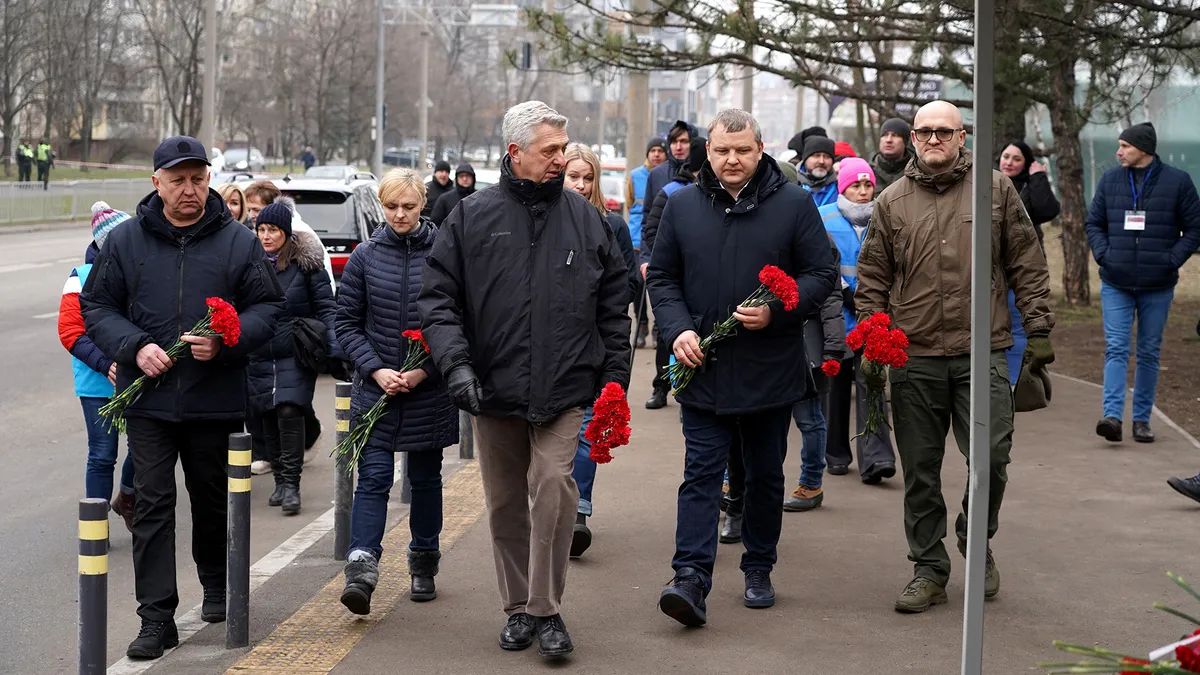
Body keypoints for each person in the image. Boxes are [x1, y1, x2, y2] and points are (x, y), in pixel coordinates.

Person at [420, 100, 631, 659]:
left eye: (564, 149)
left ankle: (546, 609)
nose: (562, 160)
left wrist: (614, 382)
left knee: (556, 487)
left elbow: (614, 309)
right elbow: (438, 301)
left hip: (567, 387)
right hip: (492, 387)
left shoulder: (589, 221)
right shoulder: (470, 217)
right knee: (506, 502)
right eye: (551, 151)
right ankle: (516, 607)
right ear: (516, 153)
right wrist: (456, 364)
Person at [81, 135, 284, 658]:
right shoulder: (124, 242)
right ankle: (156, 618)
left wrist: (227, 338)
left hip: (212, 397)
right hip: (147, 398)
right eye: (177, 180)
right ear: (156, 183)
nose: (189, 189)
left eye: (198, 178)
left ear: (209, 180)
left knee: (211, 496)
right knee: (151, 505)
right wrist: (135, 346)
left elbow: (268, 308)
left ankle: (216, 584)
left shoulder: (238, 242)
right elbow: (97, 307)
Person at [855, 100, 1055, 614]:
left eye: (944, 131)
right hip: (914, 355)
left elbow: (1026, 262)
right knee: (921, 468)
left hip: (980, 349)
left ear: (962, 135)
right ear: (913, 139)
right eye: (924, 132)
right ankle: (928, 568)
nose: (933, 140)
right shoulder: (892, 201)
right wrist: (873, 339)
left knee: (992, 458)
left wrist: (1038, 330)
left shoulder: (995, 189)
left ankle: (976, 536)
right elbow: (873, 277)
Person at [648, 109, 836, 626]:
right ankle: (690, 577)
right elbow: (661, 278)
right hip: (702, 366)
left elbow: (822, 273)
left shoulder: (793, 204)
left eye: (742, 150)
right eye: (722, 150)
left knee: (762, 476)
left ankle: (758, 565)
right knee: (701, 474)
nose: (732, 160)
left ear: (760, 149)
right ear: (707, 151)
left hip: (769, 370)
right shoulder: (681, 206)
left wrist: (780, 310)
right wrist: (678, 329)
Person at [336, 168, 458, 613]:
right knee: (372, 479)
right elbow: (345, 324)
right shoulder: (365, 257)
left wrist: (425, 370)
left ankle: (424, 562)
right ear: (381, 206)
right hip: (377, 391)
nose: (400, 215)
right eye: (391, 206)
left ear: (423, 204)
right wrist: (374, 369)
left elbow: (457, 322)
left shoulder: (445, 253)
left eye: (408, 206)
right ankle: (361, 570)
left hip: (427, 391)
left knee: (425, 480)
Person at [1084, 122, 1200, 444]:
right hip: (1116, 281)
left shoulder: (1178, 182)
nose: (1118, 152)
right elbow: (1094, 222)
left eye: (1125, 146)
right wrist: (1105, 255)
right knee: (1117, 348)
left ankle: (1141, 420)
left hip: (1157, 284)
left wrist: (1170, 259)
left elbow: (1195, 229)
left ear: (1144, 149)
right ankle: (1111, 417)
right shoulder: (1110, 180)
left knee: (1149, 351)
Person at [561, 142, 640, 559]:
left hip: (597, 338)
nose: (579, 184)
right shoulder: (547, 222)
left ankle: (579, 511)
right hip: (556, 343)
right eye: (573, 175)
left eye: (586, 177)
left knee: (590, 423)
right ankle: (555, 507)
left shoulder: (612, 226)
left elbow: (628, 283)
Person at [245, 201, 339, 516]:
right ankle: (280, 481)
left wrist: (333, 342)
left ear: (286, 232)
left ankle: (292, 485)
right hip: (258, 352)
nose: (267, 236)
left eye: (273, 230)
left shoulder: (306, 264)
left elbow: (327, 306)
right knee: (267, 414)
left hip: (296, 350)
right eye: (261, 229)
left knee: (288, 409)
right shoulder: (249, 264)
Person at [818, 158, 897, 482]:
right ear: (843, 187)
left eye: (868, 185)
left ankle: (876, 458)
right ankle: (834, 453)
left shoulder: (887, 217)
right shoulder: (824, 218)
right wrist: (845, 291)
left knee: (873, 385)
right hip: (838, 317)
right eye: (856, 185)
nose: (864, 191)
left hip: (875, 318)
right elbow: (820, 263)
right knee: (835, 389)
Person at [58, 202, 136, 530]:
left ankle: (128, 496)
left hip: (137, 377)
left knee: (147, 447)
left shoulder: (141, 271)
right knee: (103, 454)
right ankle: (95, 528)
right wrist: (106, 365)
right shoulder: (80, 278)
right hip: (97, 383)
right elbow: (71, 332)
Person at [639, 137, 708, 411]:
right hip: (675, 275)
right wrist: (660, 259)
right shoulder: (671, 191)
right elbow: (652, 229)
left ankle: (688, 389)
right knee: (670, 333)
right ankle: (661, 385)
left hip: (701, 279)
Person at [998, 140, 1061, 383]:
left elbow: (1047, 210)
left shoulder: (1030, 186)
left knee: (1017, 321)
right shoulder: (988, 184)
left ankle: (1015, 380)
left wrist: (1038, 178)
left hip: (1022, 267)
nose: (1009, 162)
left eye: (1016, 159)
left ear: (1026, 164)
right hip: (992, 268)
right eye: (1006, 156)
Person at [627, 137, 667, 348]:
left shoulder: (670, 177)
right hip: (636, 240)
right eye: (653, 150)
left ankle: (658, 328)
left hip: (660, 242)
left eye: (661, 150)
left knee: (658, 288)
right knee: (638, 286)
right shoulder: (635, 176)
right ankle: (641, 323)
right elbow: (632, 205)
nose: (657, 154)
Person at [644, 120, 700, 222]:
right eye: (674, 142)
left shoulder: (702, 173)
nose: (678, 147)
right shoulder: (656, 174)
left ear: (693, 143)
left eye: (684, 141)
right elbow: (647, 216)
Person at [870, 118, 915, 191]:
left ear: (905, 141)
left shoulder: (918, 173)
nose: (888, 140)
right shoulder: (868, 173)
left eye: (895, 135)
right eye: (885, 135)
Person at [797, 136, 838, 207]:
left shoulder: (840, 187)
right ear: (805, 159)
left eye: (827, 156)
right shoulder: (792, 184)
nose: (821, 161)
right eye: (816, 156)